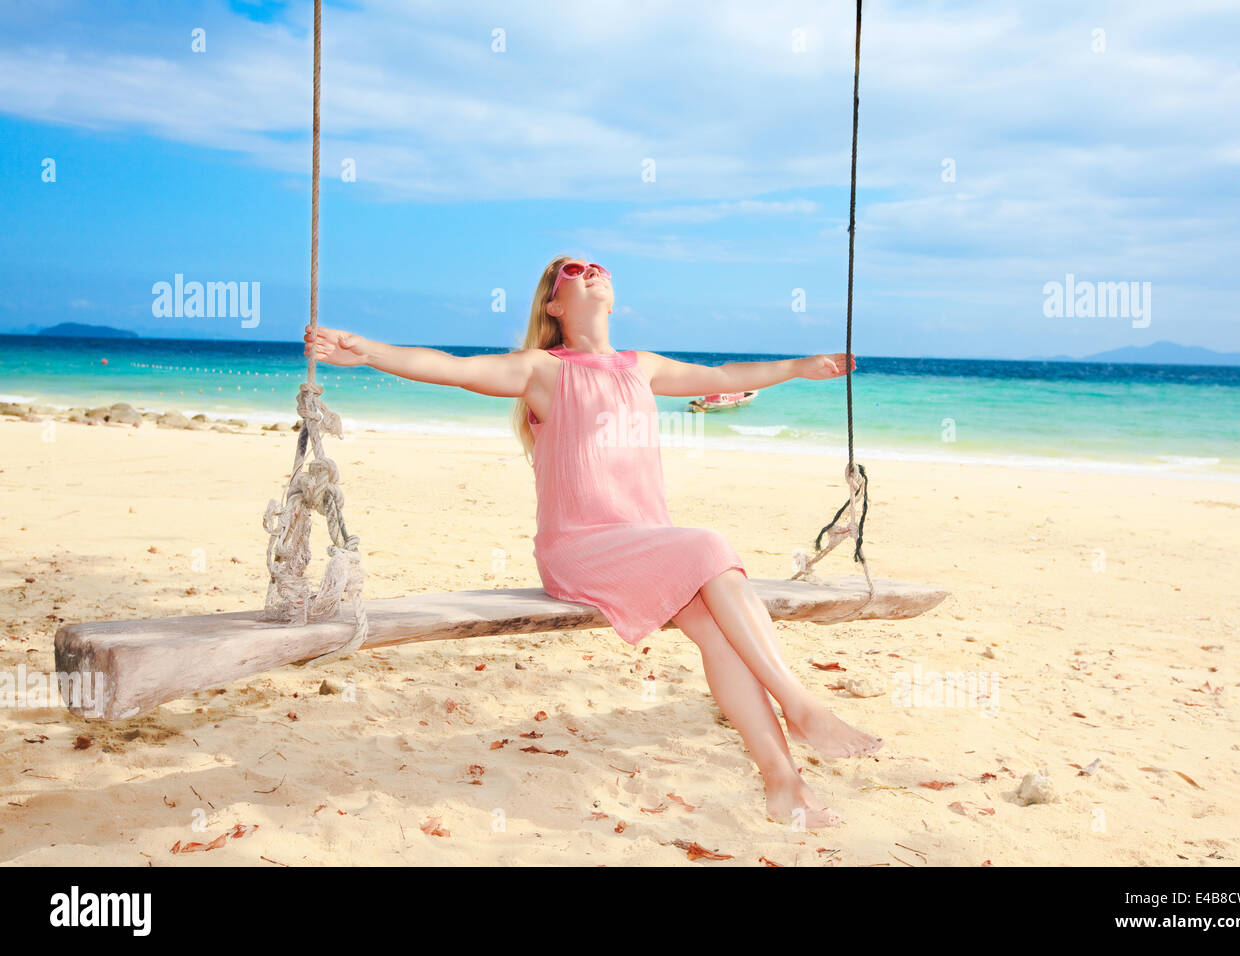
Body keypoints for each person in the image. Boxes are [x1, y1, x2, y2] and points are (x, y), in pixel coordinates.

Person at [305, 254, 881, 828]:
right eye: (574, 271)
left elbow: (726, 377)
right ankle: (801, 707)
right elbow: (450, 367)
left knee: (721, 633)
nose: (591, 271)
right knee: (710, 545)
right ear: (554, 305)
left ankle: (784, 785)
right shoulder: (542, 370)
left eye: (596, 266)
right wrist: (366, 350)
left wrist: (802, 366)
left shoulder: (642, 367)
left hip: (649, 546)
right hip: (581, 549)